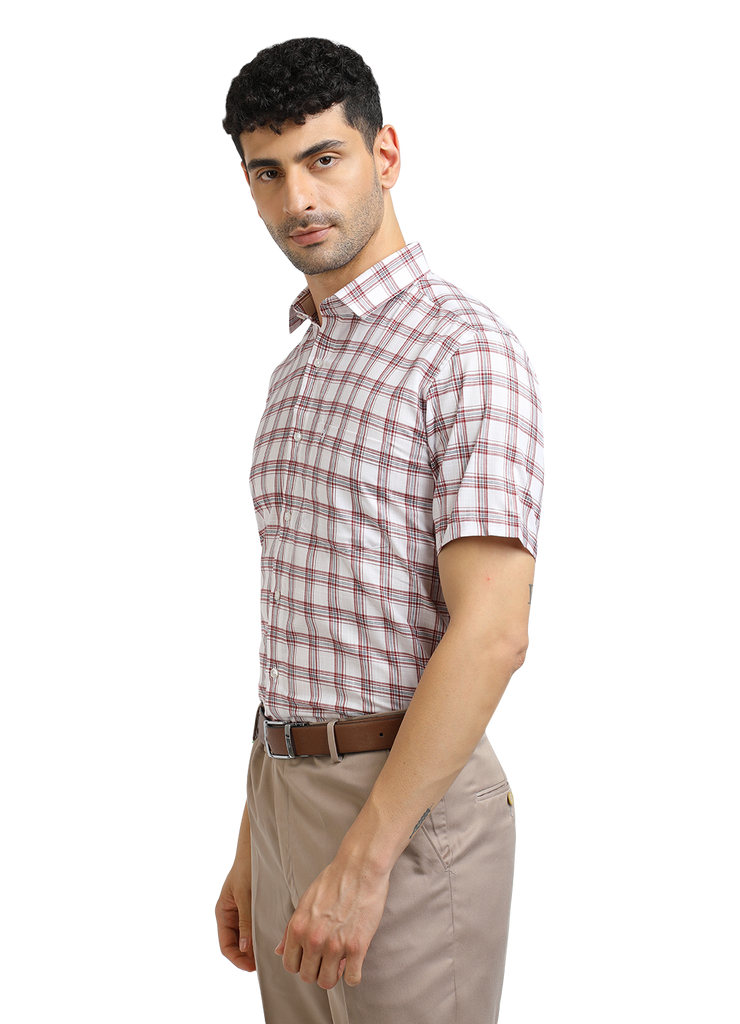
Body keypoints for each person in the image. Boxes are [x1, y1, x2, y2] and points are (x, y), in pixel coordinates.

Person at [213, 34, 546, 1024]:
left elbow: (493, 633)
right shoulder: (293, 371)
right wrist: (253, 836)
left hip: (407, 811)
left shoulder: (467, 351)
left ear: (386, 154)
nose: (298, 199)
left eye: (324, 159)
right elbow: (296, 621)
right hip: (283, 793)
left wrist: (363, 860)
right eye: (267, 173)